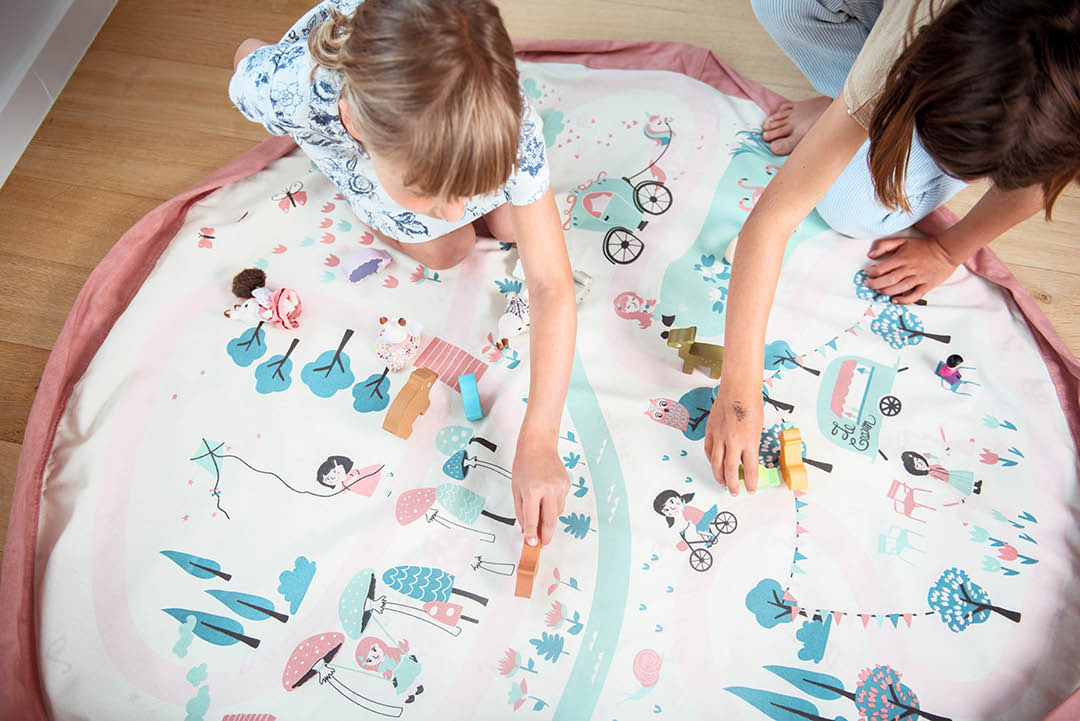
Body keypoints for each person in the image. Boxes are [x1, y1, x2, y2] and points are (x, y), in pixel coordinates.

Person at [229, 0, 573, 545]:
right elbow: (245, 65)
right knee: (449, 247)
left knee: (508, 221)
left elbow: (552, 284)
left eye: (466, 190)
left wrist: (539, 436)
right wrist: (255, 60)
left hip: (400, 57)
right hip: (325, 78)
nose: (460, 210)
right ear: (354, 126)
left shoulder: (511, 119)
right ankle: (392, 201)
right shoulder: (291, 90)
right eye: (432, 193)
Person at [706, 0, 1080, 494]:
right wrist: (737, 395)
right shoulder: (917, 28)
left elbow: (1037, 180)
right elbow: (772, 220)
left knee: (847, 204)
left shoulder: (1055, 113)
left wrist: (950, 249)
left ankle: (853, 110)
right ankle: (850, 102)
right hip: (919, 48)